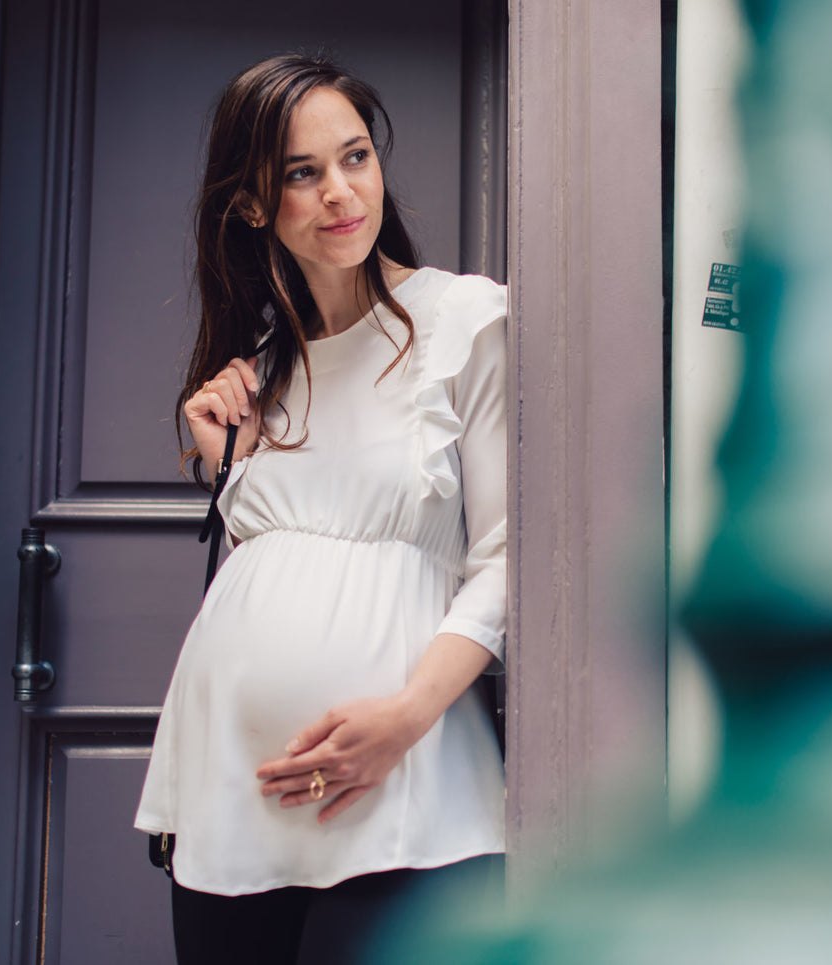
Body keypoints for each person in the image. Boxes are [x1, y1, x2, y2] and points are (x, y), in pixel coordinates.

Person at [133, 54, 508, 965]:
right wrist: (230, 456)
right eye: (302, 173)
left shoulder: (464, 320)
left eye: (355, 158)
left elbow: (508, 553)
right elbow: (271, 563)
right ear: (254, 204)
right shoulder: (261, 369)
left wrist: (407, 717)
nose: (341, 192)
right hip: (229, 793)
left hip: (404, 784)